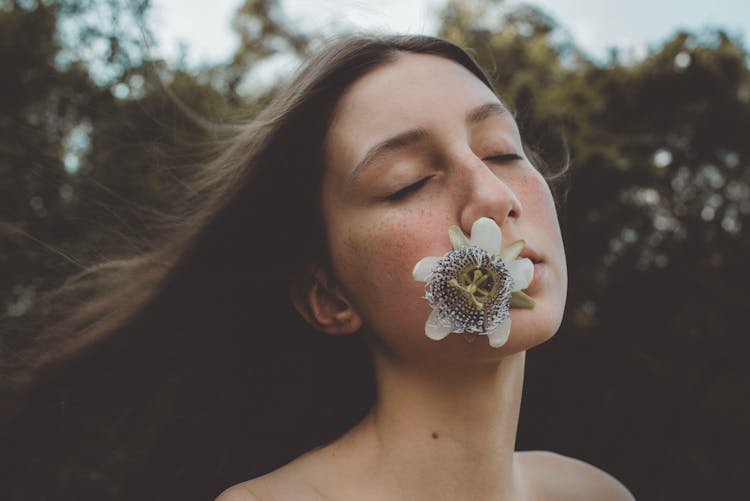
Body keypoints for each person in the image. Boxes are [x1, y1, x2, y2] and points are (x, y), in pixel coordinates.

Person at [0, 34, 634, 500]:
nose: (494, 199)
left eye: (501, 150)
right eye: (407, 184)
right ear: (327, 294)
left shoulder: (593, 493)